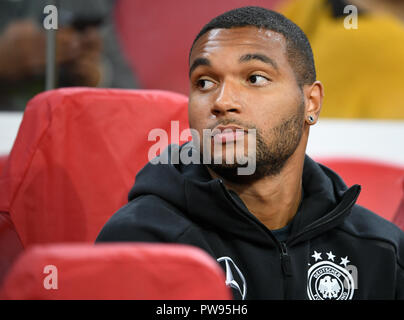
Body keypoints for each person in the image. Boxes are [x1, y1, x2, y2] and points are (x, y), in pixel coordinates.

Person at [96, 7, 404, 300]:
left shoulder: (382, 252)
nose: (222, 101)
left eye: (255, 78)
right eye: (204, 82)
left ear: (311, 103)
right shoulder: (143, 240)